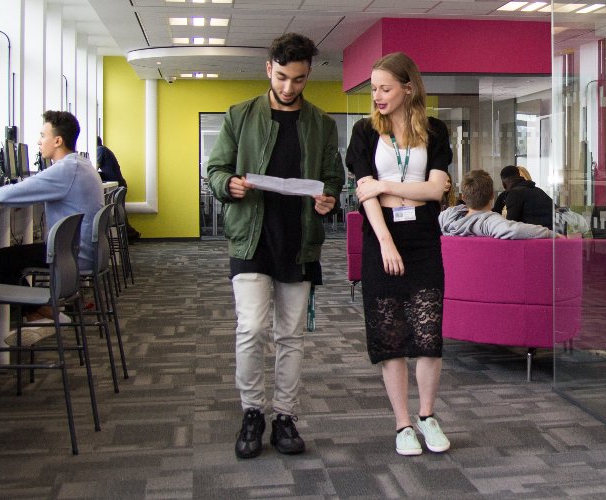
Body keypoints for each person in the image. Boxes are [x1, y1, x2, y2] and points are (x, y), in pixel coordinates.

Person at [203, 33, 343, 460]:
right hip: (251, 236)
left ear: (307, 75)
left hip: (299, 241)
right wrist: (226, 184)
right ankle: (252, 413)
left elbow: (332, 178)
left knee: (291, 335)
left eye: (298, 80)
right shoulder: (240, 115)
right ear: (269, 69)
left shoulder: (321, 122)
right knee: (250, 329)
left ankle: (284, 415)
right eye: (282, 77)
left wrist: (329, 198)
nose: (288, 88)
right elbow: (215, 169)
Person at [347, 52, 455, 457]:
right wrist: (385, 241)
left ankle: (427, 416)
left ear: (408, 88)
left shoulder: (435, 131)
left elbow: (435, 190)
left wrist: (382, 186)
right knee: (390, 335)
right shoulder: (363, 132)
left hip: (424, 238)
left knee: (428, 335)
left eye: (385, 88)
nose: (377, 95)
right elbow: (364, 194)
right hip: (381, 239)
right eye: (373, 88)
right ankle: (403, 424)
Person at [0, 110, 103, 323]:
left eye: (43, 135)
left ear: (57, 140)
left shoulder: (65, 169)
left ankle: (38, 310)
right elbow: (31, 190)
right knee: (5, 257)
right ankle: (38, 311)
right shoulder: (80, 165)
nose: (38, 141)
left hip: (69, 256)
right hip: (79, 251)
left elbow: (15, 191)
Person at [439, 170, 555, 239]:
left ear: (463, 197)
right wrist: (554, 235)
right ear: (492, 196)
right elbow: (514, 230)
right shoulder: (488, 222)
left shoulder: (448, 216)